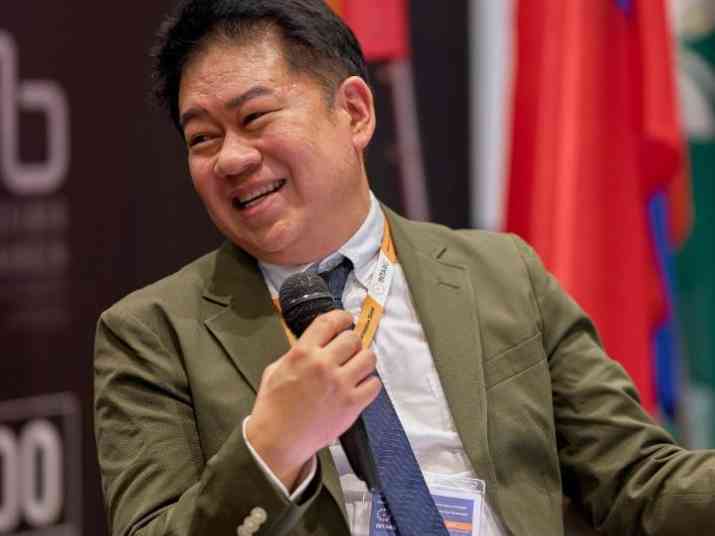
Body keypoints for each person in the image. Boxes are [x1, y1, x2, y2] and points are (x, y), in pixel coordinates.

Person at [93, 1, 715, 535]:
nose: (230, 159)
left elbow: (640, 482)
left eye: (255, 119)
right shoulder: (151, 334)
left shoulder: (502, 275)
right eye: (202, 139)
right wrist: (272, 447)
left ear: (355, 112)